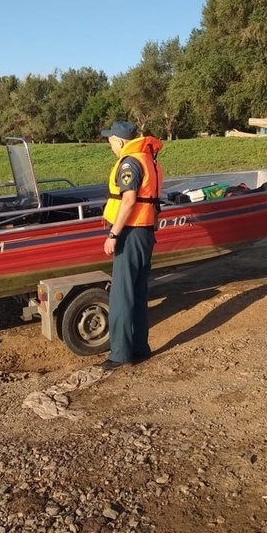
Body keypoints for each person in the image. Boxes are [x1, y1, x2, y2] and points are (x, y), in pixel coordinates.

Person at [99, 120, 163, 370]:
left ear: (121, 141)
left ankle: (120, 355)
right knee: (137, 293)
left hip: (130, 233)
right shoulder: (150, 160)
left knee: (121, 296)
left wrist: (113, 235)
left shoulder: (130, 163)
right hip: (145, 233)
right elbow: (153, 201)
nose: (110, 144)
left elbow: (128, 200)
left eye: (111, 140)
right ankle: (139, 348)